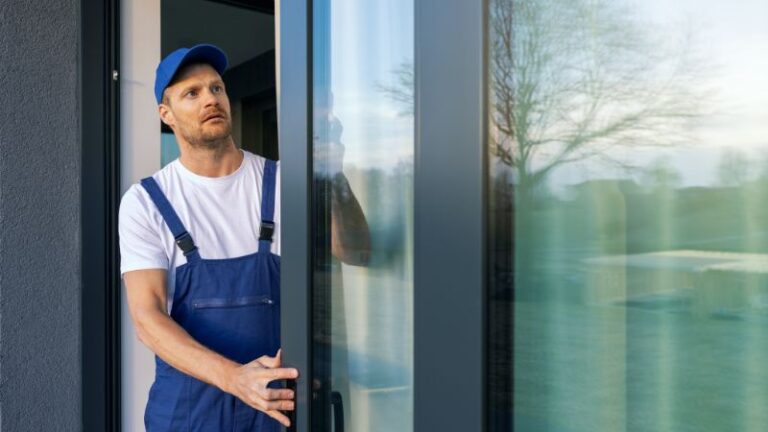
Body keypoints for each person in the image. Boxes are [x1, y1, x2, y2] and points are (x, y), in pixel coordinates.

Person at [119, 44, 369, 431]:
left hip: (277, 409)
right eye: (192, 93)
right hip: (189, 415)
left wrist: (332, 175)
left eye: (216, 88)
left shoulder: (285, 181)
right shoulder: (146, 201)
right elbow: (147, 318)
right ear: (166, 114)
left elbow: (356, 252)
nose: (210, 99)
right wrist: (236, 379)